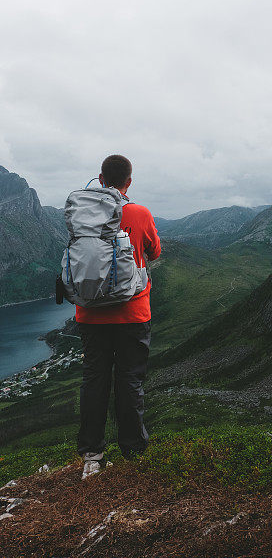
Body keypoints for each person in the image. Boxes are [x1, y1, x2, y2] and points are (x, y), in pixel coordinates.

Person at [76, 154, 161, 479]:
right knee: (129, 380)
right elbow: (154, 252)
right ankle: (133, 452)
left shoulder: (82, 214)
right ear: (129, 182)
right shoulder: (139, 213)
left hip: (90, 312)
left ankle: (92, 457)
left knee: (94, 380)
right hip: (132, 313)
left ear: (100, 179)